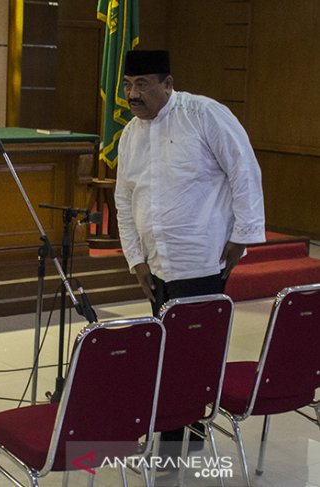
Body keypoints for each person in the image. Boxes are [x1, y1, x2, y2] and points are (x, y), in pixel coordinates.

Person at [114, 50, 265, 457]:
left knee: (191, 356)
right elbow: (124, 200)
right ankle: (172, 433)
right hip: (156, 263)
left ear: (168, 83)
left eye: (142, 84)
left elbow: (244, 170)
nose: (133, 94)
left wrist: (243, 235)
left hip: (201, 257)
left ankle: (180, 442)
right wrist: (136, 259)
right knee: (164, 351)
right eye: (128, 85)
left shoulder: (204, 115)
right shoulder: (130, 134)